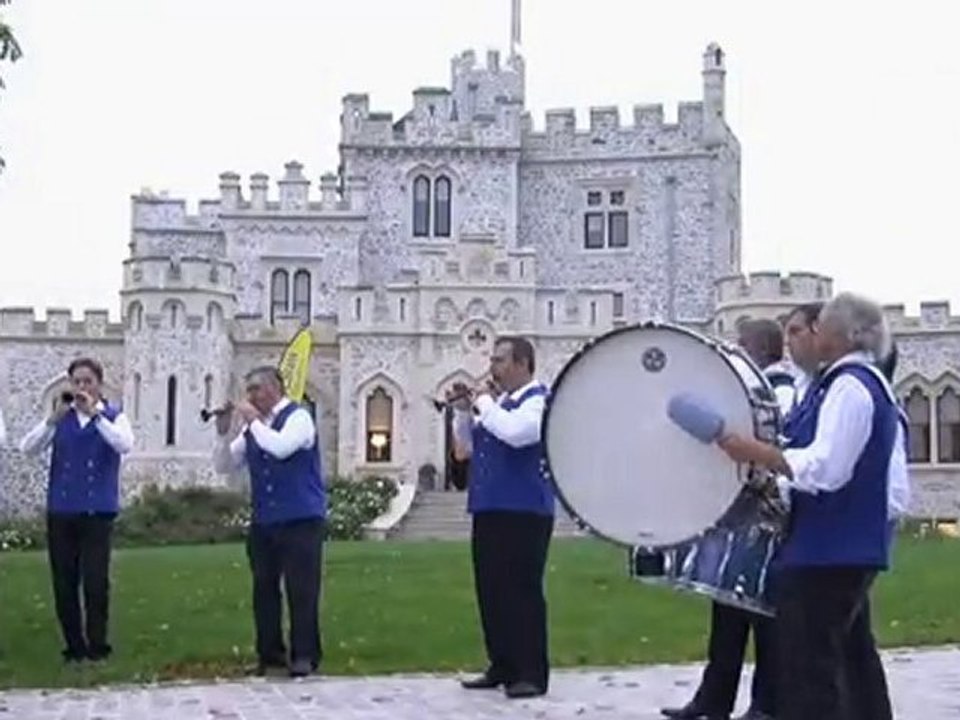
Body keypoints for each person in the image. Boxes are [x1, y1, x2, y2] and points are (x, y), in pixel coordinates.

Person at [714, 292, 899, 720]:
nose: (810, 338)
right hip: (827, 546)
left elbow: (827, 469)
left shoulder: (851, 386)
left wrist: (755, 452)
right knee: (836, 665)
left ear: (839, 335)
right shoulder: (833, 385)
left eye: (817, 328)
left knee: (810, 673)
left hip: (831, 550)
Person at [661, 318, 793, 720]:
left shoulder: (780, 390)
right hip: (738, 513)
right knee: (727, 611)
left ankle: (765, 705)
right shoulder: (743, 389)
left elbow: (771, 441)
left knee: (763, 616)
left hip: (768, 516)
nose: (734, 351)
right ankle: (713, 701)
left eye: (741, 343)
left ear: (758, 349)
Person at [451, 336, 555, 699]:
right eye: (492, 360)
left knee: (521, 591)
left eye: (500, 360)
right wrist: (464, 411)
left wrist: (482, 401)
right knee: (491, 590)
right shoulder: (499, 406)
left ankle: (531, 672)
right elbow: (464, 449)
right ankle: (503, 664)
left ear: (523, 363)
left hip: (525, 510)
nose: (492, 367)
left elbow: (517, 434)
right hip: (490, 507)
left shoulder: (537, 401)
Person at [213, 366, 326, 678]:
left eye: (256, 389)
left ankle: (305, 655)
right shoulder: (254, 428)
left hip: (301, 517)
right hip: (265, 520)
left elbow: (280, 447)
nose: (250, 396)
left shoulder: (299, 417)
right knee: (264, 588)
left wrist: (251, 421)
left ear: (275, 389)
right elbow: (224, 465)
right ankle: (270, 654)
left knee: (301, 589)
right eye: (248, 390)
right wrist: (224, 434)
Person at [19, 357, 134, 663]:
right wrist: (51, 420)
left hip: (97, 512)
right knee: (64, 581)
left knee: (96, 580)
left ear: (99, 384)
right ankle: (74, 645)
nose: (82, 387)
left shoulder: (113, 416)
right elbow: (27, 448)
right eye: (77, 382)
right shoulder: (61, 419)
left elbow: (124, 445)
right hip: (62, 510)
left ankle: (98, 644)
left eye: (88, 382)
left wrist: (94, 415)